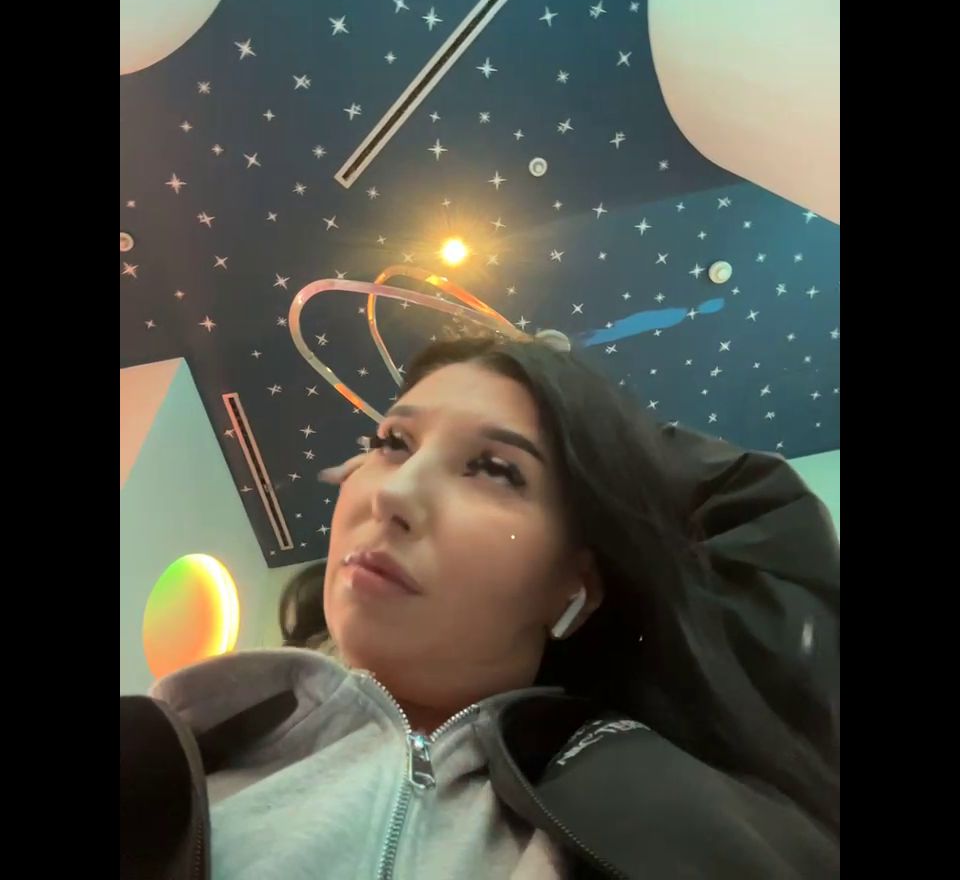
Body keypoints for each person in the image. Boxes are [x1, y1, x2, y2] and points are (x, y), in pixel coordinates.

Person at [120, 334, 840, 879]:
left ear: (577, 583)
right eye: (392, 443)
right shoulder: (156, 767)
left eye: (495, 469)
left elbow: (759, 511)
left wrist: (586, 409)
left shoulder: (692, 815)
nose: (393, 493)